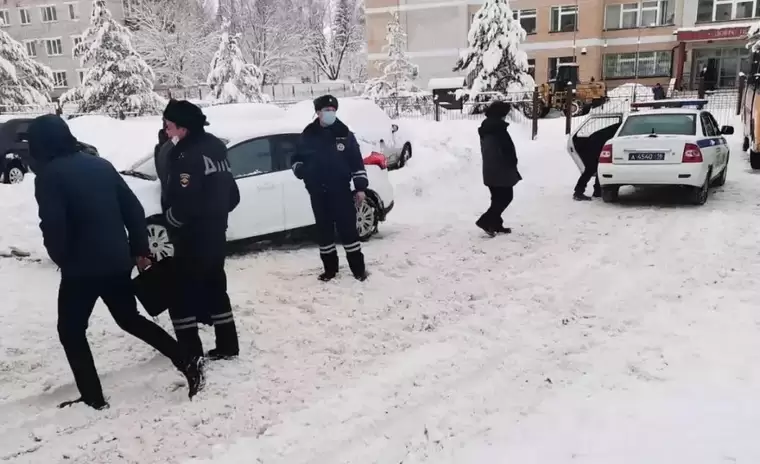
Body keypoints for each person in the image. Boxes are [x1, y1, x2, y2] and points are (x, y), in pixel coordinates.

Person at [28, 115, 204, 410]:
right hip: (115, 260)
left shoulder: (49, 176)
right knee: (129, 318)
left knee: (70, 331)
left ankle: (93, 398)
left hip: (81, 269)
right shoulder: (101, 165)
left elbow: (53, 225)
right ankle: (186, 358)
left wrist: (60, 256)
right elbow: (133, 209)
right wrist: (138, 250)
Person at [162, 99, 241, 360]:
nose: (166, 132)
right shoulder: (216, 149)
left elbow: (187, 201)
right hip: (216, 233)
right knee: (215, 286)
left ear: (183, 128)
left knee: (181, 291)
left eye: (170, 126)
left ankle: (189, 351)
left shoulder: (187, 155)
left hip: (192, 236)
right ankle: (228, 344)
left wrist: (170, 220)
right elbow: (233, 196)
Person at [292, 94, 368, 281]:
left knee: (348, 231)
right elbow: (296, 158)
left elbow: (356, 162)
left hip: (340, 190)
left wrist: (360, 188)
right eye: (327, 111)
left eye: (333, 111)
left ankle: (358, 270)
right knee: (324, 232)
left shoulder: (344, 134)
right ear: (318, 113)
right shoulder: (308, 134)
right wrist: (302, 171)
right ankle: (330, 270)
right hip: (318, 192)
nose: (330, 114)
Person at [475, 101, 521, 237]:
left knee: (497, 198)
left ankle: (495, 224)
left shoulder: (488, 126)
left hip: (491, 169)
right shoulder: (498, 129)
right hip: (500, 169)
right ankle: (485, 221)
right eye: (505, 114)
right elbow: (506, 150)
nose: (505, 117)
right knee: (506, 197)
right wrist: (513, 162)